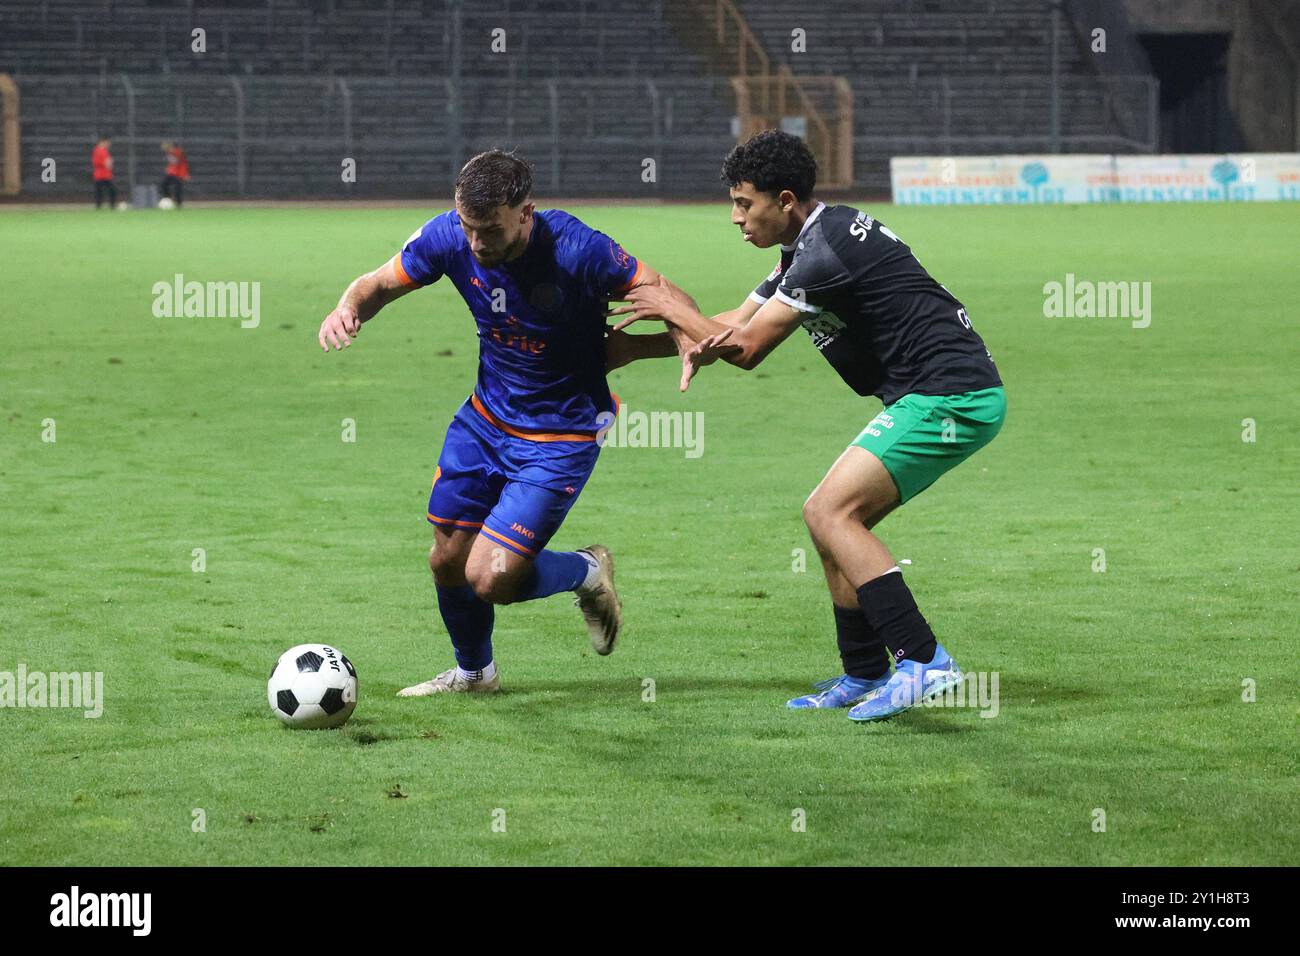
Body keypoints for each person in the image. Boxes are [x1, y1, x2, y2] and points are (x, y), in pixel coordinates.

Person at [613, 130, 1006, 722]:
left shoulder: (822, 255)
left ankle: (925, 661)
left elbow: (745, 349)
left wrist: (671, 307)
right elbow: (730, 324)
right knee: (834, 522)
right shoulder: (807, 248)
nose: (735, 217)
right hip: (937, 394)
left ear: (786, 200)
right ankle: (865, 670)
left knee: (829, 512)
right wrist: (631, 351)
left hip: (952, 396)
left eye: (745, 203)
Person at [316, 149, 692, 696]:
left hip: (560, 436)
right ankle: (475, 675)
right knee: (447, 559)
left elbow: (674, 300)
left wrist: (652, 345)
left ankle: (586, 571)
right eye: (469, 228)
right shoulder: (449, 237)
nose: (476, 244)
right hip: (484, 422)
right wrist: (346, 309)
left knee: (490, 578)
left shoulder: (580, 249)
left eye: (489, 230)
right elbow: (376, 284)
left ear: (526, 213)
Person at [160, 141, 189, 206]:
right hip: (171, 173)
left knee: (177, 189)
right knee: (163, 184)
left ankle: (179, 204)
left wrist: (185, 174)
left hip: (179, 174)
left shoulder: (178, 152)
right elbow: (172, 163)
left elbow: (181, 163)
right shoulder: (169, 153)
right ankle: (168, 199)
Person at [92, 138, 116, 209]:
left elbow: (108, 163)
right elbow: (96, 162)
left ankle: (112, 205)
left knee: (112, 190)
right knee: (99, 192)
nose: (108, 145)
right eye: (107, 143)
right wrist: (105, 163)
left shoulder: (105, 151)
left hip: (107, 175)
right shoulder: (97, 150)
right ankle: (98, 206)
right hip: (99, 175)